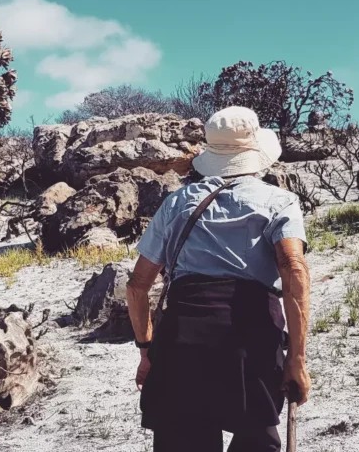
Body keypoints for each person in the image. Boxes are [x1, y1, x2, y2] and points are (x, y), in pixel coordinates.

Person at [126, 106, 312, 452]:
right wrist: (296, 360)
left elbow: (137, 285)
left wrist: (146, 349)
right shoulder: (279, 201)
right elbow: (294, 270)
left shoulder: (176, 202)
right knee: (257, 440)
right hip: (250, 339)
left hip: (181, 339)